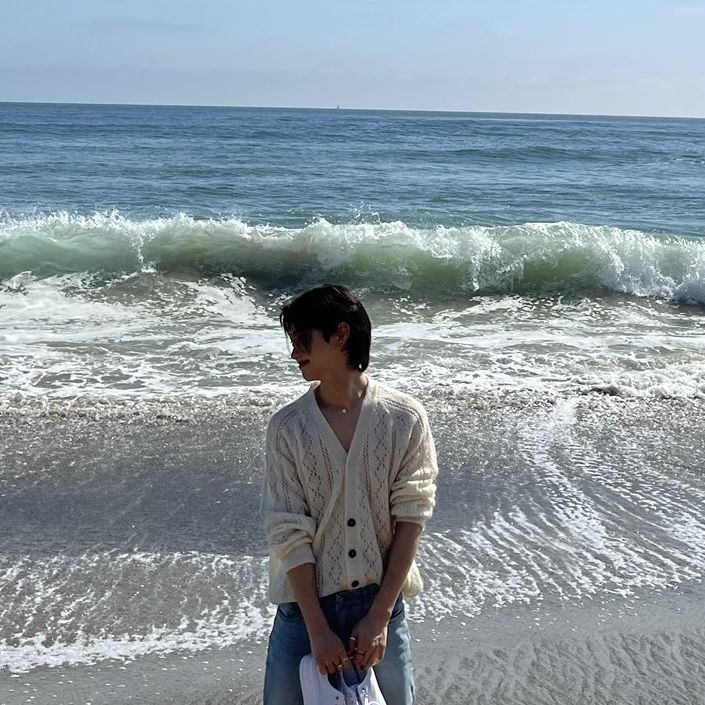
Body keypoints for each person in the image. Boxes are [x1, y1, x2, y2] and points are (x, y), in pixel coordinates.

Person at [262, 285, 438, 705]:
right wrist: (318, 631)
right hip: (303, 613)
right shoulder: (287, 428)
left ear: (340, 335)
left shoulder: (405, 419)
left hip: (381, 606)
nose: (294, 354)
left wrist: (378, 617)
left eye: (303, 340)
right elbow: (288, 531)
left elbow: (412, 518)